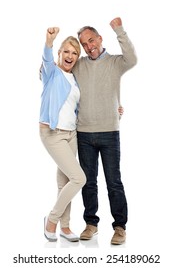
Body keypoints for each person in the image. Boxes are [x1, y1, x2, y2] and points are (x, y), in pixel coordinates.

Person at [72, 17, 137, 245]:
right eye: (85, 44)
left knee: (114, 182)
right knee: (88, 182)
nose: (89, 46)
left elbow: (132, 58)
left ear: (100, 39)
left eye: (91, 40)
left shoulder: (115, 63)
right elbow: (58, 71)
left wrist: (119, 29)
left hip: (109, 132)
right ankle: (91, 224)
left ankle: (120, 227)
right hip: (84, 133)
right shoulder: (79, 64)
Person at [39, 27, 86, 242]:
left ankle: (65, 228)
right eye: (66, 51)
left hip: (71, 135)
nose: (70, 56)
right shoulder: (52, 72)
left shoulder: (74, 79)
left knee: (65, 181)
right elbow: (47, 60)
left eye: (74, 53)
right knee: (79, 178)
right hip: (53, 133)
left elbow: (76, 107)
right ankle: (52, 219)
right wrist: (48, 42)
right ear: (60, 52)